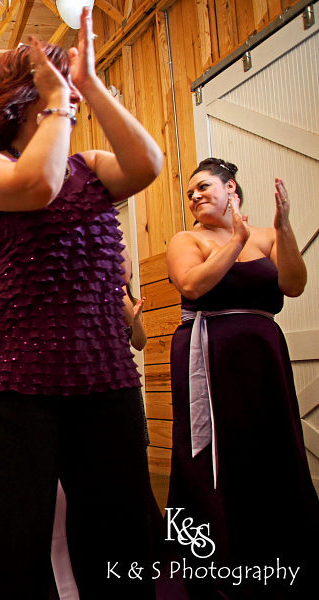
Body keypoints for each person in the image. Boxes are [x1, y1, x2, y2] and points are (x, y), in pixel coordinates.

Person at [0, 8, 163, 599]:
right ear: (19, 102)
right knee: (12, 539)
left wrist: (92, 86)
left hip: (103, 373)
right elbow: (39, 185)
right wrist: (56, 95)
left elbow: (147, 165)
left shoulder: (91, 166)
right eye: (54, 86)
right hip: (13, 380)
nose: (67, 94)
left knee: (121, 537)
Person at [165, 158, 318, 598]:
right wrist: (236, 241)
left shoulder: (269, 237)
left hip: (263, 356)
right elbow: (192, 286)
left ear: (231, 187)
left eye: (203, 187)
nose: (194, 196)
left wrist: (284, 226)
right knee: (217, 449)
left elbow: (293, 285)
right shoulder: (186, 238)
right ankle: (212, 555)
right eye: (189, 192)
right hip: (207, 356)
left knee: (271, 444)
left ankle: (281, 549)